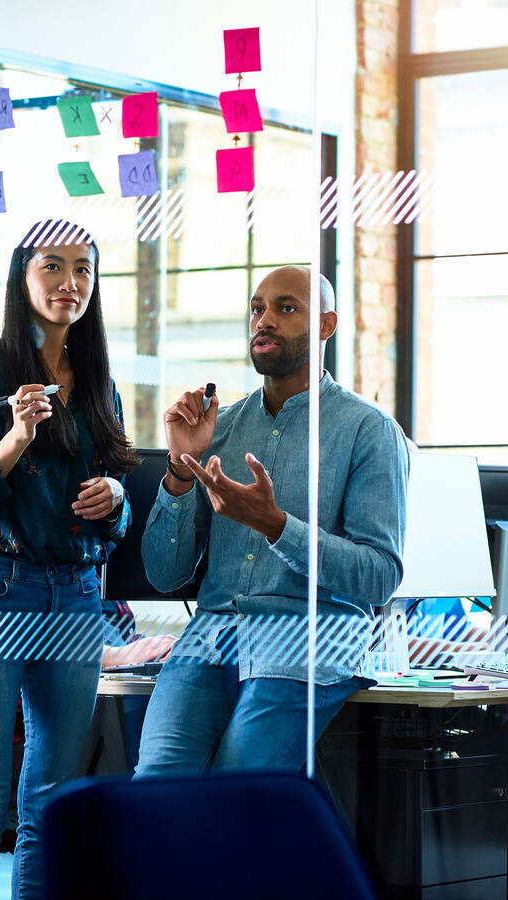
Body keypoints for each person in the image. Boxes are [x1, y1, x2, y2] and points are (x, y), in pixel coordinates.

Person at [133, 265, 409, 776]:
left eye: (286, 308)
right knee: (156, 784)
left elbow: (379, 576)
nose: (264, 320)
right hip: (211, 638)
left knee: (237, 787)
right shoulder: (219, 428)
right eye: (257, 309)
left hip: (308, 638)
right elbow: (164, 575)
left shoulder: (368, 430)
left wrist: (277, 526)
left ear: (325, 325)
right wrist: (179, 468)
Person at [0, 219, 142, 899]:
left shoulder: (99, 385)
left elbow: (116, 521)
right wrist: (16, 437)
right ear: (22, 278)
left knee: (50, 805)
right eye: (53, 266)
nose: (70, 282)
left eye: (83, 269)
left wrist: (115, 497)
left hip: (76, 596)